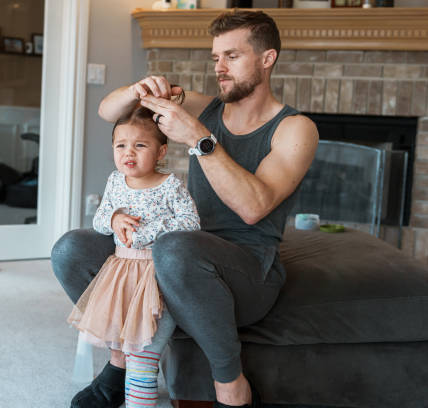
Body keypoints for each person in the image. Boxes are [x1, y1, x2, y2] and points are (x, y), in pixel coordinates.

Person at [52, 9, 318, 408]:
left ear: (267, 59)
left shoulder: (295, 128)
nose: (220, 68)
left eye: (232, 56)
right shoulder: (204, 105)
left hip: (246, 271)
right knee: (70, 248)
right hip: (171, 253)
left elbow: (252, 207)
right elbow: (109, 112)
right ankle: (119, 363)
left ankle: (231, 386)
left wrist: (199, 137)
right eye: (215, 58)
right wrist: (137, 89)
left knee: (175, 248)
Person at [67, 105, 200, 408]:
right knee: (120, 344)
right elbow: (99, 219)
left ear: (161, 151)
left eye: (140, 145)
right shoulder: (116, 181)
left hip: (155, 279)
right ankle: (120, 386)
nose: (129, 152)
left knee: (143, 354)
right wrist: (113, 219)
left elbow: (191, 222)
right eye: (121, 145)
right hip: (120, 276)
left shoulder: (170, 185)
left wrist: (150, 230)